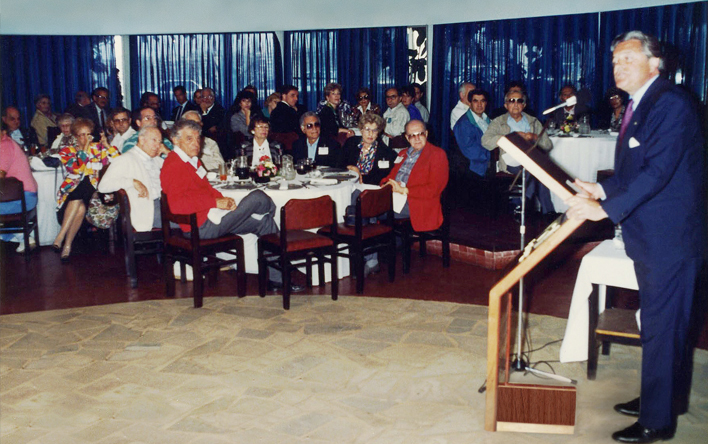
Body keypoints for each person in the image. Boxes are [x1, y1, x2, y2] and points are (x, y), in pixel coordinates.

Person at [565, 31, 705, 444]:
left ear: (654, 64)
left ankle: (657, 422)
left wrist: (604, 211)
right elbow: (632, 171)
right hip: (656, 237)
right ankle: (662, 399)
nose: (618, 67)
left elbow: (658, 172)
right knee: (665, 326)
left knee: (663, 328)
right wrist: (601, 189)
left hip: (672, 240)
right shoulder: (639, 103)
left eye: (627, 59)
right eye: (615, 61)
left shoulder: (671, 104)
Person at [53, 118, 120, 262]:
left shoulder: (98, 148)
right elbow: (76, 169)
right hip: (71, 191)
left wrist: (107, 145)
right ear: (75, 136)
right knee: (80, 207)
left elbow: (118, 162)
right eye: (82, 135)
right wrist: (84, 150)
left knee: (83, 188)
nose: (86, 138)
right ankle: (67, 246)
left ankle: (60, 237)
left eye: (88, 134)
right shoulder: (66, 151)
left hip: (92, 191)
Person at [481, 89, 554, 214]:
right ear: (506, 105)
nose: (515, 104)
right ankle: (544, 211)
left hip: (531, 158)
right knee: (534, 171)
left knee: (536, 171)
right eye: (511, 101)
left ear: (524, 105)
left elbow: (548, 145)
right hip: (511, 161)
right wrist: (511, 136)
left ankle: (528, 207)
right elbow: (485, 141)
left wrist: (535, 138)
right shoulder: (498, 122)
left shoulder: (534, 121)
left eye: (519, 101)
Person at [380, 120, 448, 231]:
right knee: (359, 201)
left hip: (417, 203)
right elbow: (390, 176)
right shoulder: (403, 153)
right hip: (395, 197)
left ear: (426, 134)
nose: (417, 139)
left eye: (420, 134)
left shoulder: (437, 154)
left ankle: (382, 245)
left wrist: (404, 190)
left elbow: (434, 189)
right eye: (412, 135)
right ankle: (384, 245)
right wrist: (385, 184)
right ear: (407, 138)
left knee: (368, 210)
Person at [98, 126, 165, 231]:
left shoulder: (155, 159)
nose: (158, 145)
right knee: (195, 219)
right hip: (149, 211)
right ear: (141, 140)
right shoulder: (126, 159)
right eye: (154, 140)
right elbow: (103, 186)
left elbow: (178, 170)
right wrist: (132, 182)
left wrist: (167, 152)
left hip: (165, 204)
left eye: (160, 141)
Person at [0, 123, 39, 252]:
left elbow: (0, 175)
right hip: (18, 196)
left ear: (4, 132)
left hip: (23, 198)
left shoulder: (4, 146)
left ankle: (22, 237)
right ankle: (22, 236)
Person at [340, 113, 396, 185]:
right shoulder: (351, 143)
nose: (370, 134)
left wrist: (361, 179)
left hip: (370, 188)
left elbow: (382, 176)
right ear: (361, 130)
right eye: (367, 129)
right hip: (348, 183)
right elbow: (338, 164)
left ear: (378, 132)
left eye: (374, 130)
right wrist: (350, 167)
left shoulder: (385, 152)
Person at [453, 89, 491, 177]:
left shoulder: (486, 120)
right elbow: (470, 150)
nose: (479, 105)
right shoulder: (464, 124)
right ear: (469, 104)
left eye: (482, 101)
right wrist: (492, 155)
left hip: (486, 167)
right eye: (475, 101)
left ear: (486, 103)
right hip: (475, 170)